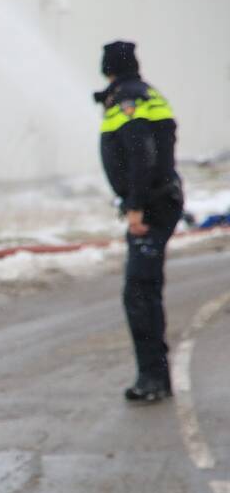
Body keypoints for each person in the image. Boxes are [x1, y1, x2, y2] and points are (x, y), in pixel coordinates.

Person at [94, 41, 184, 402]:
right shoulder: (146, 94)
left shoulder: (128, 100)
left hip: (151, 206)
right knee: (144, 291)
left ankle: (153, 378)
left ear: (108, 68)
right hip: (160, 200)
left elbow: (142, 155)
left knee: (139, 293)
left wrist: (134, 207)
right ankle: (155, 376)